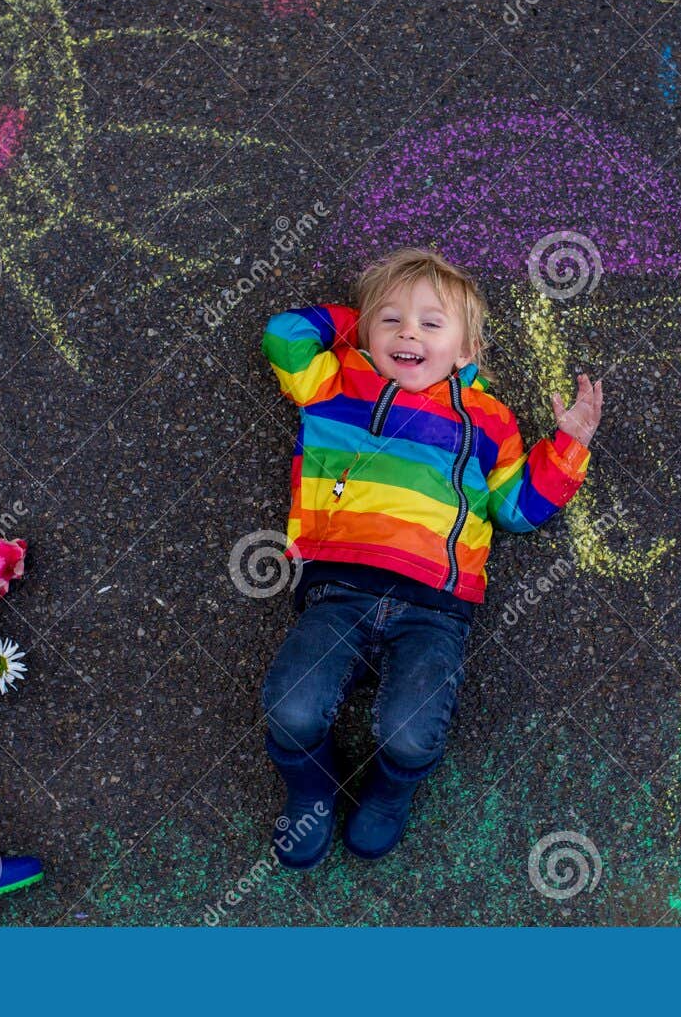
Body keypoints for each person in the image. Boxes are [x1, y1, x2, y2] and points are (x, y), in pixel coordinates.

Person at [258, 247, 604, 866]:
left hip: (435, 607)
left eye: (430, 323)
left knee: (410, 732)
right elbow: (284, 335)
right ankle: (311, 786)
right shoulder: (332, 383)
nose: (407, 332)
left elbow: (516, 510)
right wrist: (355, 325)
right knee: (291, 710)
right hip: (338, 589)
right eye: (390, 320)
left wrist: (568, 447)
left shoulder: (491, 421)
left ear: (465, 352)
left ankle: (392, 792)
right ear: (365, 332)